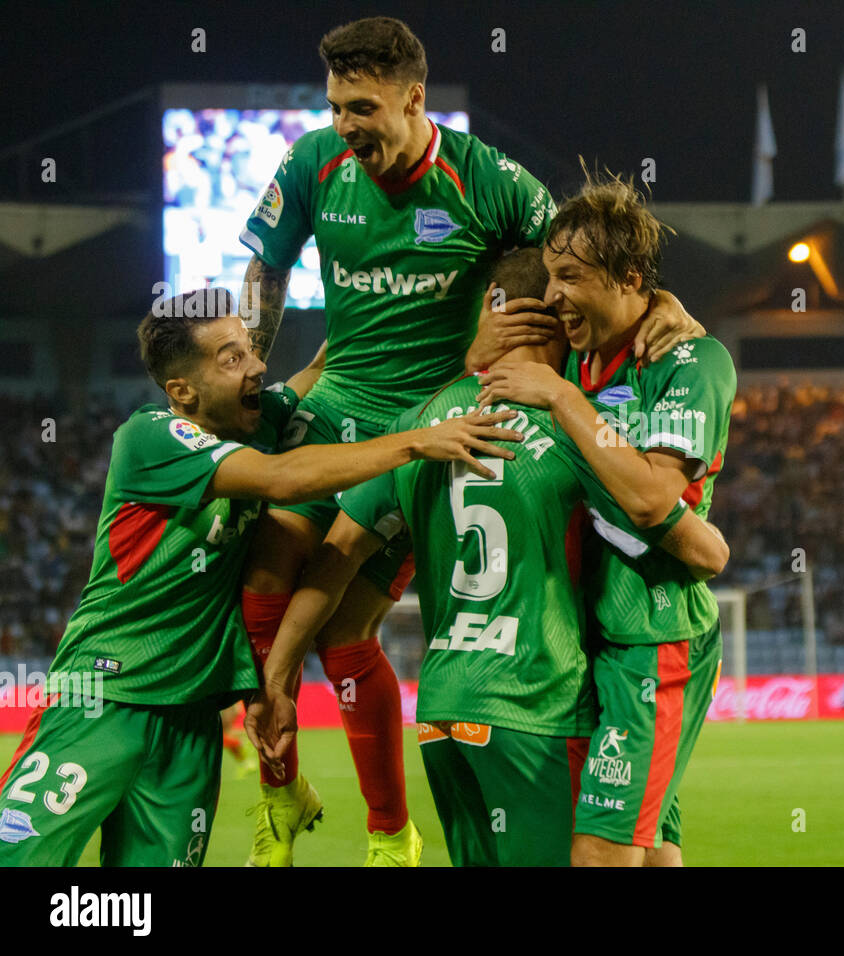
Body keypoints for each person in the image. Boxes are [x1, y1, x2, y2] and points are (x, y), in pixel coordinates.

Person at [236, 15, 703, 866]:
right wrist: (247, 384)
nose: (346, 124)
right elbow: (266, 270)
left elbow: (577, 260)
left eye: (364, 107)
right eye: (337, 105)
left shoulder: (489, 181)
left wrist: (656, 303)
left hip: (436, 422)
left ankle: (388, 834)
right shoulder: (310, 162)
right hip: (340, 407)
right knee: (265, 599)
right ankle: (279, 799)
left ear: (415, 99)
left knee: (345, 635)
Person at [0, 289, 518, 866]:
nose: (258, 366)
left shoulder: (257, 421)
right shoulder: (149, 437)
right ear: (182, 392)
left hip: (193, 720)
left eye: (249, 349)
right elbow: (282, 480)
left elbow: (332, 361)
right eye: (231, 358)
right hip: (105, 695)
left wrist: (451, 310)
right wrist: (417, 441)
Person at [246, 248, 728, 866]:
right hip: (538, 703)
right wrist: (710, 545)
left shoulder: (416, 427)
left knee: (655, 839)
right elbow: (670, 527)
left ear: (487, 313)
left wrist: (280, 676)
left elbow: (335, 560)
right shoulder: (576, 430)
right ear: (556, 321)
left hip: (445, 714)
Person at [476, 172, 737, 866]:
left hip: (652, 636)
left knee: (598, 853)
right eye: (550, 277)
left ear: (628, 278)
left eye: (571, 276)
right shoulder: (580, 356)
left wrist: (562, 398)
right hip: (583, 642)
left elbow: (654, 498)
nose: (554, 295)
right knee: (652, 850)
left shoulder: (690, 361)